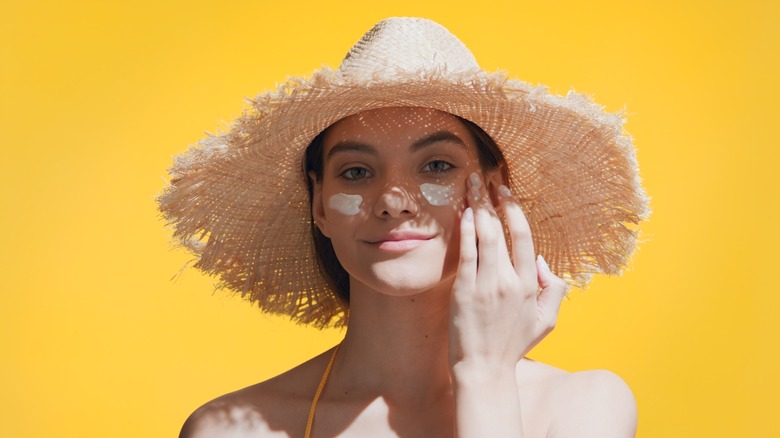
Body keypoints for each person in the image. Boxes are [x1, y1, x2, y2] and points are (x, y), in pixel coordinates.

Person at [160, 17, 648, 438]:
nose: (394, 202)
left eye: (436, 166)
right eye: (355, 172)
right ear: (319, 203)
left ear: (495, 191)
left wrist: (485, 378)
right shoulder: (234, 428)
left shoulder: (581, 408)